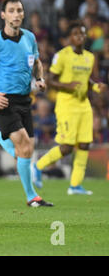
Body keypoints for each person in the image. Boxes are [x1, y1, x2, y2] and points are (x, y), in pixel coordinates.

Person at [0, 0, 53, 207]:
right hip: (4, 101)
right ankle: (31, 197)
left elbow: (38, 61)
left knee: (25, 150)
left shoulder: (30, 38)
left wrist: (40, 78)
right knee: (24, 147)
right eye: (12, 11)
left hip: (25, 99)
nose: (17, 14)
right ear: (3, 15)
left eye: (19, 10)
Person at [32, 22, 107, 195]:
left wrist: (96, 87)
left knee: (84, 144)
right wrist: (67, 85)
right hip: (67, 105)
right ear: (70, 38)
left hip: (84, 105)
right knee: (66, 147)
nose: (79, 37)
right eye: (76, 34)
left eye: (82, 33)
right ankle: (38, 167)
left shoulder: (89, 57)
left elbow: (86, 80)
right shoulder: (62, 55)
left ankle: (75, 185)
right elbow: (50, 79)